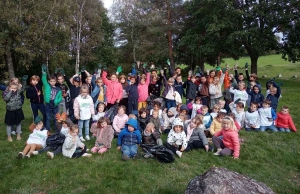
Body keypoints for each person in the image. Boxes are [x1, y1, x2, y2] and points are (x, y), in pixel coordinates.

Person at [3, 76, 27, 142]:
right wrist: (10, 92)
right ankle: (9, 136)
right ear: (9, 87)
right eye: (12, 88)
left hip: (18, 110)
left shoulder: (18, 92)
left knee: (18, 123)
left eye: (15, 88)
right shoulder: (6, 92)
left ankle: (18, 134)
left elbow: (24, 89)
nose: (13, 89)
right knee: (9, 124)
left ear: (17, 88)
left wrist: (24, 81)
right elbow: (6, 99)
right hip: (10, 111)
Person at [41, 65, 62, 131]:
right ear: (49, 81)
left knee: (56, 117)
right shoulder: (47, 86)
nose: (52, 82)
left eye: (54, 81)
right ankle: (47, 130)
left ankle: (57, 129)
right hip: (48, 104)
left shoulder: (58, 89)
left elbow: (60, 97)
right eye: (51, 81)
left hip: (55, 105)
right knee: (48, 117)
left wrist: (57, 101)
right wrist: (44, 73)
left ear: (56, 81)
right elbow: (44, 80)